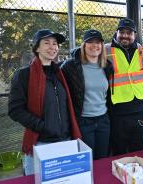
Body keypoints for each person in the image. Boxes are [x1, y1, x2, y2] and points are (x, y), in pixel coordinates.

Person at [8, 29, 81, 175]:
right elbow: (15, 110)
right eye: (46, 43)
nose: (52, 47)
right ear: (36, 48)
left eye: (55, 44)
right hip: (41, 142)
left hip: (66, 141)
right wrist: (43, 126)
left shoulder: (60, 73)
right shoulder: (24, 75)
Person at [61, 29, 112, 160]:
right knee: (86, 160)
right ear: (84, 45)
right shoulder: (71, 66)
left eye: (98, 42)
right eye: (90, 42)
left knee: (102, 159)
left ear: (102, 46)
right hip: (83, 121)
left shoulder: (107, 66)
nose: (95, 45)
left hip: (103, 120)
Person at [106, 18, 143, 155]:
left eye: (129, 33)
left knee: (140, 151)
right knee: (119, 152)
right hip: (117, 112)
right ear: (116, 33)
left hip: (138, 110)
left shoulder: (141, 51)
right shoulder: (105, 50)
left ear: (134, 35)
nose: (125, 35)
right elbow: (84, 52)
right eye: (122, 32)